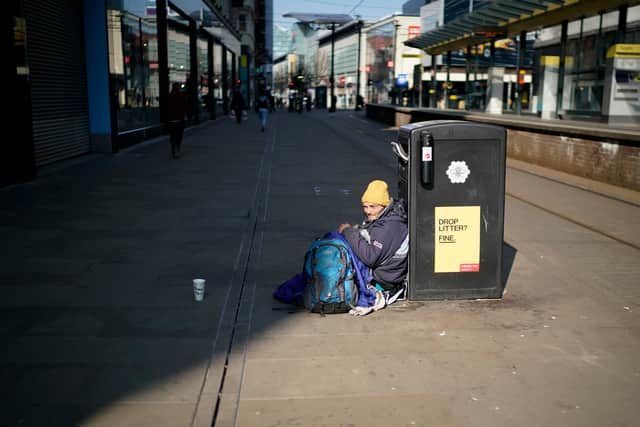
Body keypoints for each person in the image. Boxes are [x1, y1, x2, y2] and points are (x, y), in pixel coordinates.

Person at [338, 180, 408, 303]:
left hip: (384, 280)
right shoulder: (386, 218)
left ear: (384, 205)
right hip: (386, 273)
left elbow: (370, 257)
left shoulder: (387, 227)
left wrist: (349, 232)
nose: (368, 211)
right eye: (365, 206)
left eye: (373, 207)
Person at [168, 82, 187, 158]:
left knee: (172, 135)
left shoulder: (169, 96)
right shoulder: (181, 96)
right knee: (179, 135)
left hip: (171, 119)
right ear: (178, 87)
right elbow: (185, 107)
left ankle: (173, 149)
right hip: (179, 119)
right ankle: (177, 148)